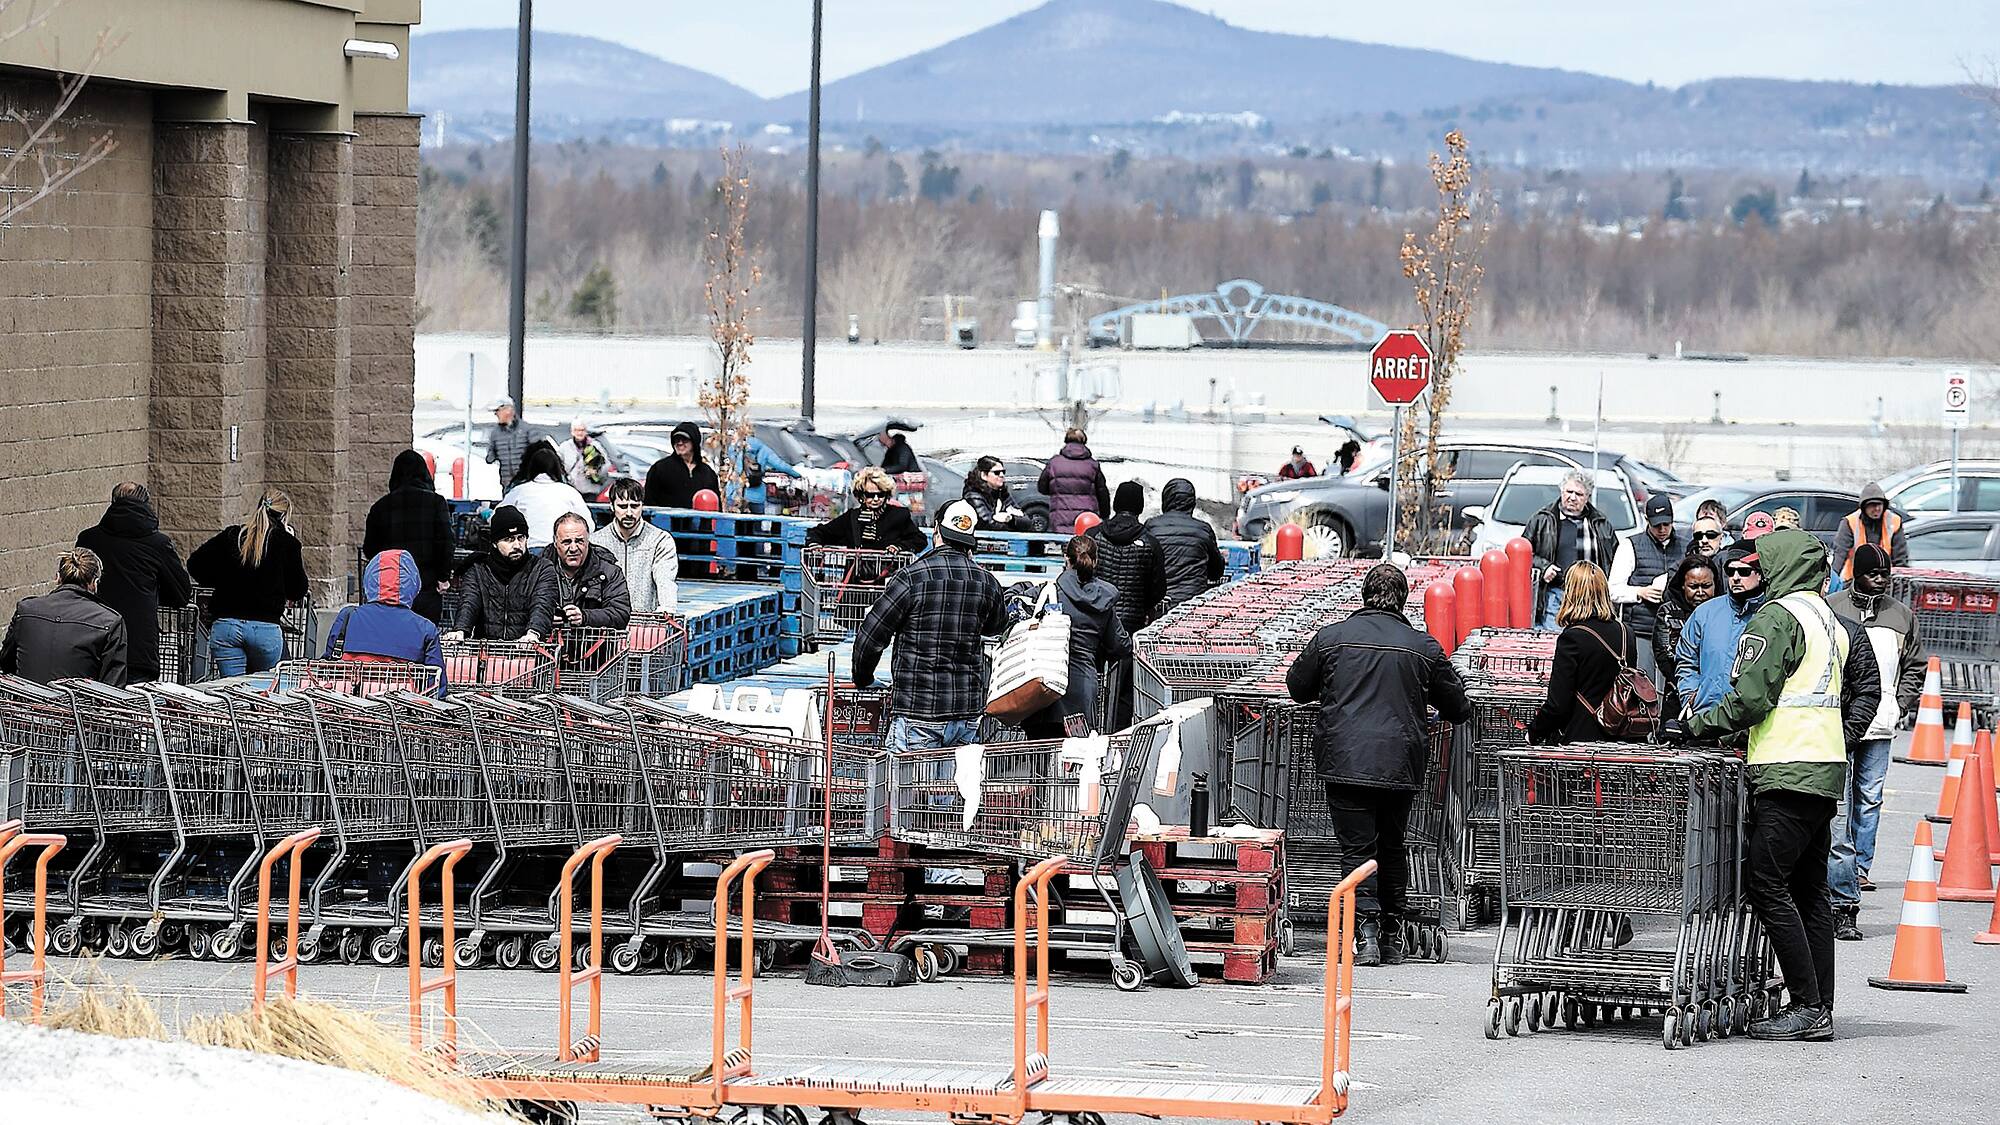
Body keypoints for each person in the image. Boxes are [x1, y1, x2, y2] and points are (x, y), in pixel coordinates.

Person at [1683, 527, 1865, 1041]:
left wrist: (1696, 725)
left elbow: (1750, 699)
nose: (1753, 574)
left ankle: (1808, 1005)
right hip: (1824, 769)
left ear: (1782, 567)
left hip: (1786, 768)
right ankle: (1819, 1004)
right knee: (1810, 893)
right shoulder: (1831, 619)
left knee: (1766, 884)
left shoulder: (1778, 617)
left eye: (1762, 564)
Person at [1286, 563, 1469, 966]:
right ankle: (1391, 931)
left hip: (1345, 759)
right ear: (1403, 600)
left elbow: (1297, 687)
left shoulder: (1332, 638)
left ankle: (1364, 929)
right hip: (1400, 762)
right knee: (1392, 845)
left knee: (1357, 848)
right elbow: (1458, 707)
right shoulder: (1423, 647)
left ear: (1364, 596)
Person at [852, 500, 1009, 753]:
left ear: (936, 530)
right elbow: (996, 628)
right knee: (949, 788)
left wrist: (863, 678)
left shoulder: (912, 578)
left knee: (903, 788)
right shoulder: (986, 582)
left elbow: (871, 636)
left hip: (918, 709)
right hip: (965, 712)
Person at [1825, 543, 1925, 926]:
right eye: (1873, 574)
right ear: (1858, 575)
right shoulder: (1833, 607)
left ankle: (1860, 867)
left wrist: (1901, 702)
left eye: (1886, 575)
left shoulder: (1901, 616)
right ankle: (1842, 872)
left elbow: (1914, 664)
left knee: (1869, 797)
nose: (1881, 581)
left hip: (1881, 723)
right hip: (1842, 723)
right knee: (1840, 802)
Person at [74, 481, 192, 683]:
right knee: (137, 707)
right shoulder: (158, 543)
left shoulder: (88, 539)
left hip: (93, 640)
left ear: (113, 503)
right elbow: (181, 593)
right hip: (138, 645)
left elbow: (76, 584)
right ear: (146, 504)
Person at [187, 487, 309, 678]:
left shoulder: (231, 535)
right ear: (284, 516)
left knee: (232, 691)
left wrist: (220, 581)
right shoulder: (287, 543)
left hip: (226, 626)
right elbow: (298, 590)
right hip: (266, 629)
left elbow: (194, 564)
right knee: (264, 692)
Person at [1021, 536, 1131, 739]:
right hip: (1083, 689)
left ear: (1066, 559)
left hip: (1045, 687)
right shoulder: (1104, 601)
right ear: (1095, 561)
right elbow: (1120, 645)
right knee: (1075, 760)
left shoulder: (1050, 592)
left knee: (1038, 756)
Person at [1528, 562, 1642, 744]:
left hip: (1582, 741)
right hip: (1623, 737)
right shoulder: (1625, 632)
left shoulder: (1572, 638)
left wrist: (1534, 731)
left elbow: (1558, 704)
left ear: (1571, 593)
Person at [1086, 481, 1165, 731]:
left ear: (1116, 503)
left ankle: (1089, 730)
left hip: (1094, 620)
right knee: (1124, 685)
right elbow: (1157, 590)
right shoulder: (1150, 543)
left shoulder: (1094, 536)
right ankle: (1117, 736)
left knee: (1092, 677)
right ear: (1139, 507)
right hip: (1129, 625)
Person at [323, 549, 447, 694]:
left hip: (346, 707)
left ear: (369, 580)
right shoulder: (425, 628)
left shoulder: (348, 617)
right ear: (414, 585)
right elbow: (436, 687)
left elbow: (327, 666)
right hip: (399, 710)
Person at [0, 547, 128, 687]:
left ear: (57, 577)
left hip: (27, 705)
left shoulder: (25, 610)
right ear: (94, 583)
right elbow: (113, 688)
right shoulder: (110, 621)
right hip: (78, 707)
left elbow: (6, 664)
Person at [362, 450, 456, 623]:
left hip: (389, 589)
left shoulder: (380, 507)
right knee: (424, 640)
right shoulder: (436, 503)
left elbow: (370, 549)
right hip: (426, 586)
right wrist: (443, 577)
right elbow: (445, 543)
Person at [443, 505, 556, 644]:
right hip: (486, 652)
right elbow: (469, 602)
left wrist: (533, 633)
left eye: (521, 538)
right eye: (508, 539)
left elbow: (542, 605)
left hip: (528, 652)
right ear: (495, 543)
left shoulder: (541, 569)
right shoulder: (478, 569)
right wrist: (460, 630)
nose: (517, 545)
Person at [1676, 544, 1765, 715]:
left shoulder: (1771, 614)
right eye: (1730, 572)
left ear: (1759, 574)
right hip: (1705, 717)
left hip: (1751, 722)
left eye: (1744, 572)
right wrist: (1690, 697)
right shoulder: (1705, 612)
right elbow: (1686, 660)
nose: (1736, 578)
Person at [1525, 471, 1616, 632]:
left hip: (1591, 599)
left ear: (1587, 497)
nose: (1573, 497)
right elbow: (1523, 554)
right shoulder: (1542, 519)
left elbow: (1614, 559)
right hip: (1555, 596)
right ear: (1561, 491)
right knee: (1555, 644)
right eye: (1569, 492)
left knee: (1587, 645)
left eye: (1579, 494)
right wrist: (1543, 567)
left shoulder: (1600, 523)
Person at [1608, 493, 1687, 678]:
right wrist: (1640, 592)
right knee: (1643, 685)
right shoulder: (1630, 545)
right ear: (1646, 521)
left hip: (1676, 630)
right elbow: (1612, 589)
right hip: (1641, 630)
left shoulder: (1685, 546)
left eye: (1666, 524)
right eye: (1656, 525)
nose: (1662, 529)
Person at [590, 478, 678, 613]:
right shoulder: (596, 541)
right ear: (612, 506)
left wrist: (667, 608)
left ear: (642, 505)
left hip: (645, 624)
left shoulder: (660, 540)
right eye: (623, 506)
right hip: (606, 624)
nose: (629, 513)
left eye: (635, 506)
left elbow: (665, 580)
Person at [538, 512, 631, 632]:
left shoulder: (609, 571)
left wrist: (584, 617)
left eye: (579, 541)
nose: (573, 548)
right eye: (566, 542)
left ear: (588, 541)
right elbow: (519, 611)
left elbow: (621, 614)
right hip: (548, 646)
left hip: (593, 648)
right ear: (555, 543)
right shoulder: (539, 569)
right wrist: (544, 617)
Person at [1653, 555, 1718, 720]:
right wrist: (1690, 686)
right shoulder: (1668, 612)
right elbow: (1665, 656)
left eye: (1706, 586)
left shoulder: (1723, 611)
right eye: (1693, 586)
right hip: (1679, 694)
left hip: (1718, 695)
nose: (1700, 592)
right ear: (1683, 585)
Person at [1146, 478, 1225, 612]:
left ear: (1165, 500)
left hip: (1159, 603)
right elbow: (1216, 572)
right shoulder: (1203, 529)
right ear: (1191, 503)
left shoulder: (1152, 527)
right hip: (1193, 604)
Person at [807, 467, 928, 553]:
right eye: (870, 495)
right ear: (861, 496)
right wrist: (815, 544)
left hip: (889, 579)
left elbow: (919, 540)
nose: (876, 499)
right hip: (856, 581)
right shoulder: (851, 518)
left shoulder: (899, 515)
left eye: (880, 495)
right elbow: (819, 532)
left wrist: (899, 547)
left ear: (886, 495)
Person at [501, 441, 591, 549]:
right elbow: (589, 525)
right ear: (557, 467)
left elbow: (497, 517)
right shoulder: (570, 492)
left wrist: (484, 512)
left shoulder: (519, 491)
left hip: (529, 551)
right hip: (560, 553)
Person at [1831, 483, 1909, 587]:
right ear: (1864, 507)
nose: (1877, 509)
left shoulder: (1894, 521)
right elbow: (1840, 555)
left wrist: (1900, 584)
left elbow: (1900, 559)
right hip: (1854, 581)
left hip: (1885, 582)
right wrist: (1832, 581)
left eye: (1879, 505)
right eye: (1873, 505)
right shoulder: (1850, 522)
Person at [1038, 427, 1111, 534]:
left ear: (1066, 441)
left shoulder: (1054, 463)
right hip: (1086, 519)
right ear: (1084, 441)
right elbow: (1102, 493)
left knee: (1065, 547)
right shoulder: (1092, 465)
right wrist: (1105, 516)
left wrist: (1058, 491)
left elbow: (1042, 488)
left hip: (1060, 518)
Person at [644, 421, 720, 509]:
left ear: (694, 442)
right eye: (676, 440)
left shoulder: (707, 473)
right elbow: (649, 503)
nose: (680, 443)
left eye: (684, 440)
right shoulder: (660, 469)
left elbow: (716, 506)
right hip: (666, 521)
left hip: (699, 522)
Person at [961, 455, 1025, 531]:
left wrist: (1010, 518)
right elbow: (986, 524)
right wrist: (1013, 523)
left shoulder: (1002, 493)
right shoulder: (973, 495)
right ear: (984, 475)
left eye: (1003, 472)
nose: (1002, 475)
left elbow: (1026, 521)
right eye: (997, 473)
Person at [742, 434, 803, 514]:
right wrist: (797, 474)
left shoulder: (737, 449)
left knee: (737, 522)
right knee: (756, 522)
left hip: (738, 494)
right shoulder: (764, 450)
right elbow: (781, 465)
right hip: (757, 495)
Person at [486, 396, 533, 487]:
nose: (496, 414)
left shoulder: (526, 430)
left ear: (508, 410)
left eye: (498, 411)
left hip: (525, 482)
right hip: (507, 482)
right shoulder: (495, 433)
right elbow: (489, 458)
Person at [559, 418, 611, 498]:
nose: (579, 433)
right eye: (577, 430)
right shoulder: (564, 447)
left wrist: (596, 472)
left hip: (590, 491)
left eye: (582, 430)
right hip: (570, 490)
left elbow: (607, 464)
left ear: (586, 431)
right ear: (572, 432)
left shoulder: (595, 445)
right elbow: (557, 465)